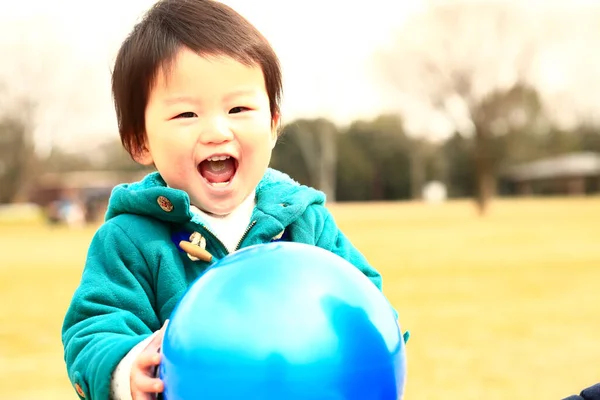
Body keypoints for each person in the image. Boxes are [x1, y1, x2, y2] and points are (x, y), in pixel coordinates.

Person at [61, 1, 404, 399]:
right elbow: (94, 328)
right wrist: (125, 368)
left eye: (238, 108)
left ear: (273, 124)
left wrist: (376, 341)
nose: (217, 131)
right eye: (187, 114)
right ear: (140, 139)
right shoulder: (129, 239)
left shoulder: (304, 222)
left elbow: (362, 301)